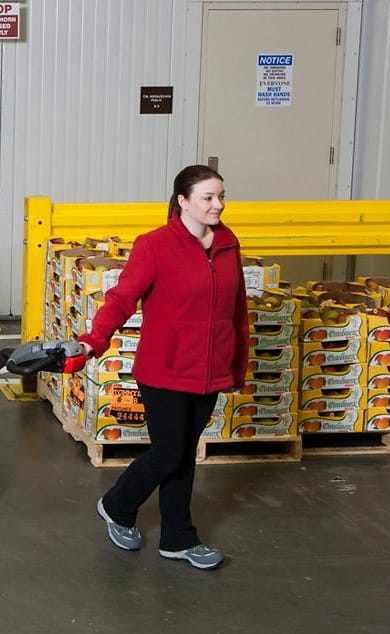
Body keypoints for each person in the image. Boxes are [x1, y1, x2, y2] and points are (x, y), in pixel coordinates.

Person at [78, 164, 248, 570]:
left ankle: (177, 537)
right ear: (183, 201)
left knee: (184, 454)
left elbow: (237, 309)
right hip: (165, 369)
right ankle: (117, 504)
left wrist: (236, 365)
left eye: (221, 196)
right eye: (208, 197)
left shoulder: (227, 243)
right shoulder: (154, 245)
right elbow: (121, 298)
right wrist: (93, 340)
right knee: (170, 452)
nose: (218, 205)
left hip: (210, 370)